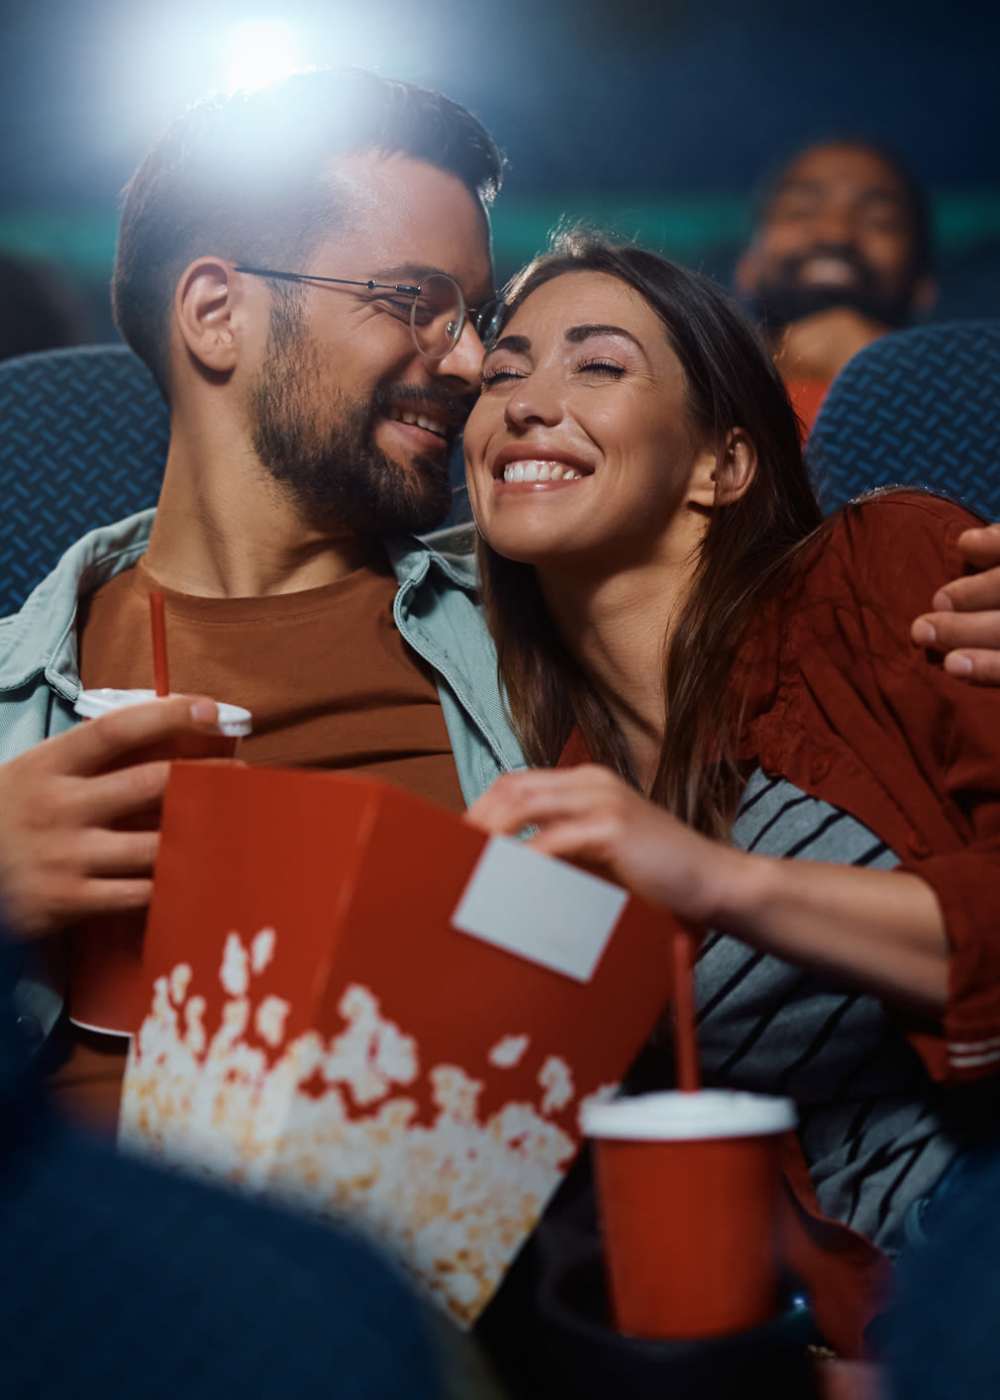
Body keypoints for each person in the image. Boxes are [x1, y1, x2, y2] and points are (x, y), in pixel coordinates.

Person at [461, 231, 1000, 1354]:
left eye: (597, 366)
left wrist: (718, 878)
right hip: (860, 1326)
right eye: (504, 371)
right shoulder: (562, 794)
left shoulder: (880, 575)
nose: (526, 402)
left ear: (723, 465)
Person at [735, 139, 936, 430]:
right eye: (799, 211)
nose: (835, 233)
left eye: (879, 220)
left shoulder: (973, 411)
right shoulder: (695, 401)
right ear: (747, 269)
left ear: (924, 287)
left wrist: (893, 374)